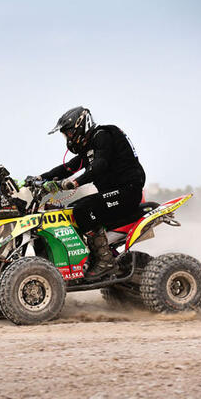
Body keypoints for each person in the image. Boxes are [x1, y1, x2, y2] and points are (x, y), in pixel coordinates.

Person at [28, 106, 146, 280]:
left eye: (69, 133)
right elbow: (69, 167)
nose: (68, 138)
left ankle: (105, 260)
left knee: (82, 209)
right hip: (113, 193)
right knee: (70, 210)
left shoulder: (103, 136)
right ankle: (87, 256)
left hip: (128, 191)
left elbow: (100, 165)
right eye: (66, 135)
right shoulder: (90, 146)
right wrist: (40, 178)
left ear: (81, 126)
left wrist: (76, 182)